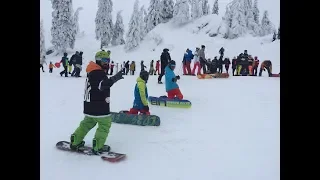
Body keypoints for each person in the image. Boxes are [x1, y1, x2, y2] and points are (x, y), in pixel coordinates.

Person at [69, 58, 124, 155]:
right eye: (104, 61)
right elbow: (103, 85)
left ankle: (75, 140)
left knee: (87, 123)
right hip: (99, 106)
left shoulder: (92, 71)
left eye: (108, 61)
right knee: (104, 125)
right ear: (98, 60)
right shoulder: (98, 73)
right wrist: (115, 78)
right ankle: (98, 146)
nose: (106, 63)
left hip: (89, 106)